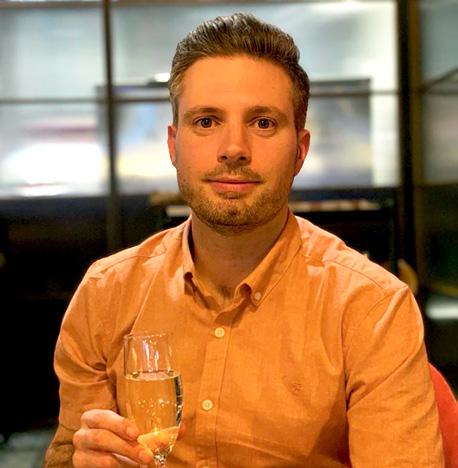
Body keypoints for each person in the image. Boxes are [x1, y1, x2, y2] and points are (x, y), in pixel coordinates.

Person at [45, 13, 444, 467]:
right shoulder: (106, 293)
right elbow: (66, 450)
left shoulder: (371, 307)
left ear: (300, 150)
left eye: (263, 123)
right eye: (206, 121)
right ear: (173, 145)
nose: (233, 148)